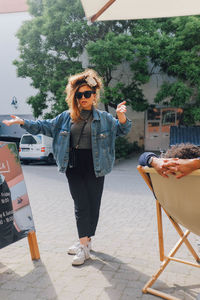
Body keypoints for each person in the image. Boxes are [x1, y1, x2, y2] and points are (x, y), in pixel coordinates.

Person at [3, 69, 132, 266]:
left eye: (87, 94)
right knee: (81, 204)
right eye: (79, 95)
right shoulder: (66, 117)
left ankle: (86, 241)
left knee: (93, 204)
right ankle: (84, 245)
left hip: (97, 165)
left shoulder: (104, 118)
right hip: (73, 164)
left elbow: (122, 129)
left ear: (94, 95)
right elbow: (44, 125)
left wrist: (122, 116)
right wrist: (22, 122)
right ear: (75, 97)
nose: (83, 98)